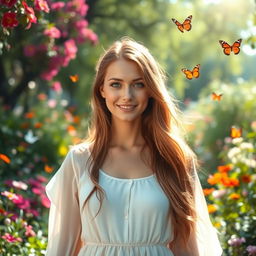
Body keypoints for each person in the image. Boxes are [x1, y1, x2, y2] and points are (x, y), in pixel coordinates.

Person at [45, 37, 223, 256]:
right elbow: (62, 247)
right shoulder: (79, 160)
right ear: (102, 90)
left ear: (150, 90)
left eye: (138, 84)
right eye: (116, 84)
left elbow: (188, 247)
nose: (127, 96)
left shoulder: (175, 159)